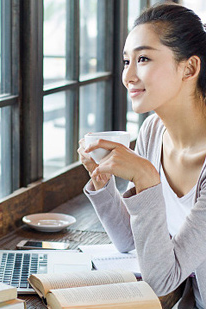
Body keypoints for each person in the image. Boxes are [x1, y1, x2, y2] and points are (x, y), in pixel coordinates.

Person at [78, 3, 206, 308]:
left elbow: (162, 280)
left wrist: (146, 178)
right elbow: (132, 243)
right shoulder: (152, 131)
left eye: (144, 59)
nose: (128, 76)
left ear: (189, 68)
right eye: (126, 61)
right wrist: (102, 180)